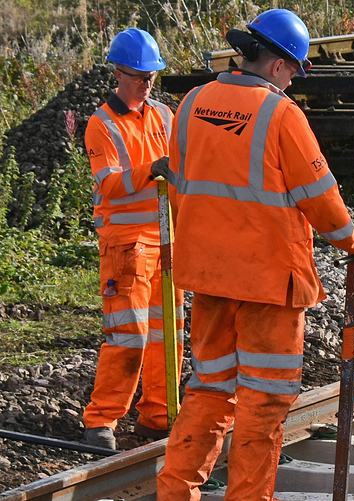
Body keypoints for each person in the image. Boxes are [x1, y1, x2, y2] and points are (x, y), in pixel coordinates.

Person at [154, 9, 354, 500]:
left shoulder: (192, 102)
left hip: (209, 278)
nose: (294, 81)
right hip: (269, 285)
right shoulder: (280, 114)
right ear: (278, 65)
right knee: (263, 402)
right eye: (295, 70)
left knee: (209, 391)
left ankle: (174, 494)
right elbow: (322, 201)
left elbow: (181, 183)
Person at [82, 28, 181, 450]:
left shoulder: (162, 116)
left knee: (167, 335)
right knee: (129, 336)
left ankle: (158, 416)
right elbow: (109, 183)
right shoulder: (100, 124)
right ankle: (100, 421)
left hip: (165, 241)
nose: (147, 82)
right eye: (140, 76)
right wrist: (151, 170)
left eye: (152, 75)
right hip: (126, 246)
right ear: (119, 74)